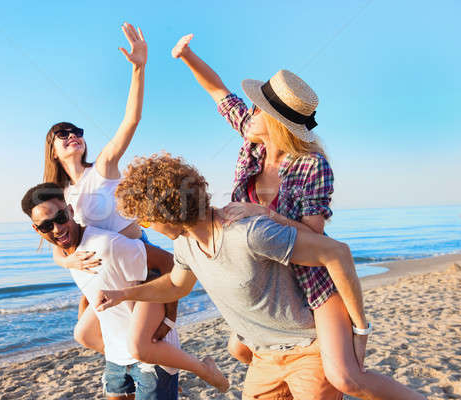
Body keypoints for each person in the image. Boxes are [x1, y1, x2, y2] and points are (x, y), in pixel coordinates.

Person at [169, 34, 425, 400]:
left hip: (309, 284)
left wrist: (261, 212)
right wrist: (186, 56)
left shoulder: (312, 166)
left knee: (346, 377)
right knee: (238, 349)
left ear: (274, 122)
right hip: (264, 280)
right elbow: (219, 92)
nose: (249, 112)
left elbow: (316, 239)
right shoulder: (253, 142)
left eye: (257, 109)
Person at [21, 183, 229, 398]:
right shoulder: (68, 256)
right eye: (47, 226)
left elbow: (170, 263)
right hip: (115, 357)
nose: (57, 229)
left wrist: (170, 319)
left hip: (151, 354)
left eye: (61, 218)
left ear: (71, 211)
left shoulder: (106, 244)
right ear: (37, 230)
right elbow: (93, 285)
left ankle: (201, 370)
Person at [42, 23, 175, 355]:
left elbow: (130, 121)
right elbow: (53, 239)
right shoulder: (58, 196)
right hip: (100, 276)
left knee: (149, 349)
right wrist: (65, 263)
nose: (72, 135)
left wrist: (138, 69)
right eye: (63, 133)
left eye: (76, 131)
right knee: (86, 336)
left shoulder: (101, 168)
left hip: (136, 264)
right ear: (53, 150)